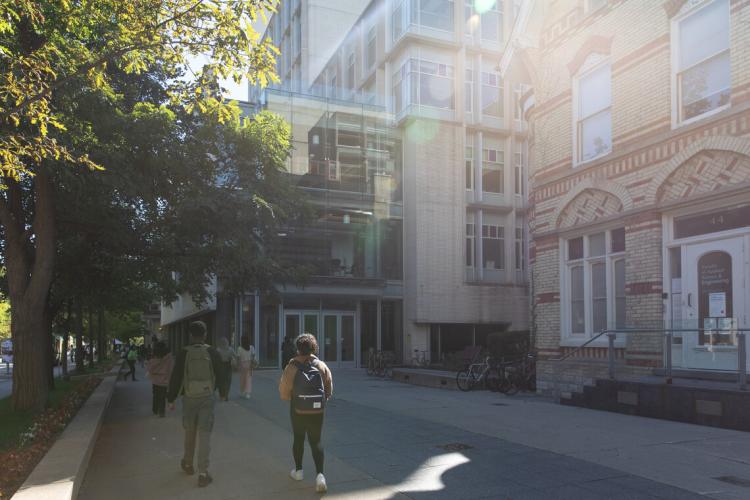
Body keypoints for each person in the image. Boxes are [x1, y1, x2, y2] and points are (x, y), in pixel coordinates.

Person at [168, 321, 223, 488]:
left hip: (189, 398)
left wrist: (171, 399)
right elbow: (220, 373)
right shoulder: (212, 351)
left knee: (189, 432)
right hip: (207, 397)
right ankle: (203, 473)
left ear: (190, 335)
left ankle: (187, 463)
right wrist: (219, 391)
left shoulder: (184, 352)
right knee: (205, 434)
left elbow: (176, 377)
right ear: (205, 334)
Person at [279, 334, 333, 494]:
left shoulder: (291, 367)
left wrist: (292, 398)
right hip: (317, 410)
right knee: (316, 441)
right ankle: (320, 476)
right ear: (314, 348)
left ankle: (299, 471)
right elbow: (328, 390)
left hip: (298, 409)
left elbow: (283, 392)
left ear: (298, 348)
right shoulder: (321, 365)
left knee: (298, 438)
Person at [146, 341, 173, 417]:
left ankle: (155, 409)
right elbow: (170, 368)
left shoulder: (155, 356)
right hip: (164, 379)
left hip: (155, 379)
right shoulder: (169, 357)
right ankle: (162, 412)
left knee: (155, 395)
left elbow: (150, 368)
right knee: (162, 396)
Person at [215, 337, 235, 401]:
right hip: (228, 366)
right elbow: (236, 356)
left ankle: (222, 396)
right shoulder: (231, 349)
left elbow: (215, 359)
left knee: (221, 381)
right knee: (228, 382)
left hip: (220, 366)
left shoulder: (218, 350)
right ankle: (226, 395)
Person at [236, 335, 256, 399]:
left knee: (242, 379)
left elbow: (238, 358)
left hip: (242, 364)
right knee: (248, 379)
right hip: (249, 364)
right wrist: (252, 365)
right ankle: (248, 393)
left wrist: (238, 366)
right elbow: (253, 357)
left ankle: (242, 391)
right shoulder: (252, 347)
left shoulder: (239, 348)